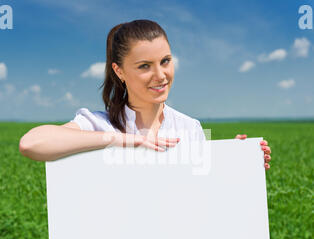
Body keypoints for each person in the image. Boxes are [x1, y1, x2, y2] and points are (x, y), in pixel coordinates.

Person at [19, 19, 271, 169]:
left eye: (165, 61)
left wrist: (235, 162)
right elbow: (31, 143)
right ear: (119, 71)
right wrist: (122, 140)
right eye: (144, 66)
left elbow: (201, 199)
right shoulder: (97, 124)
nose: (160, 75)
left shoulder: (189, 128)